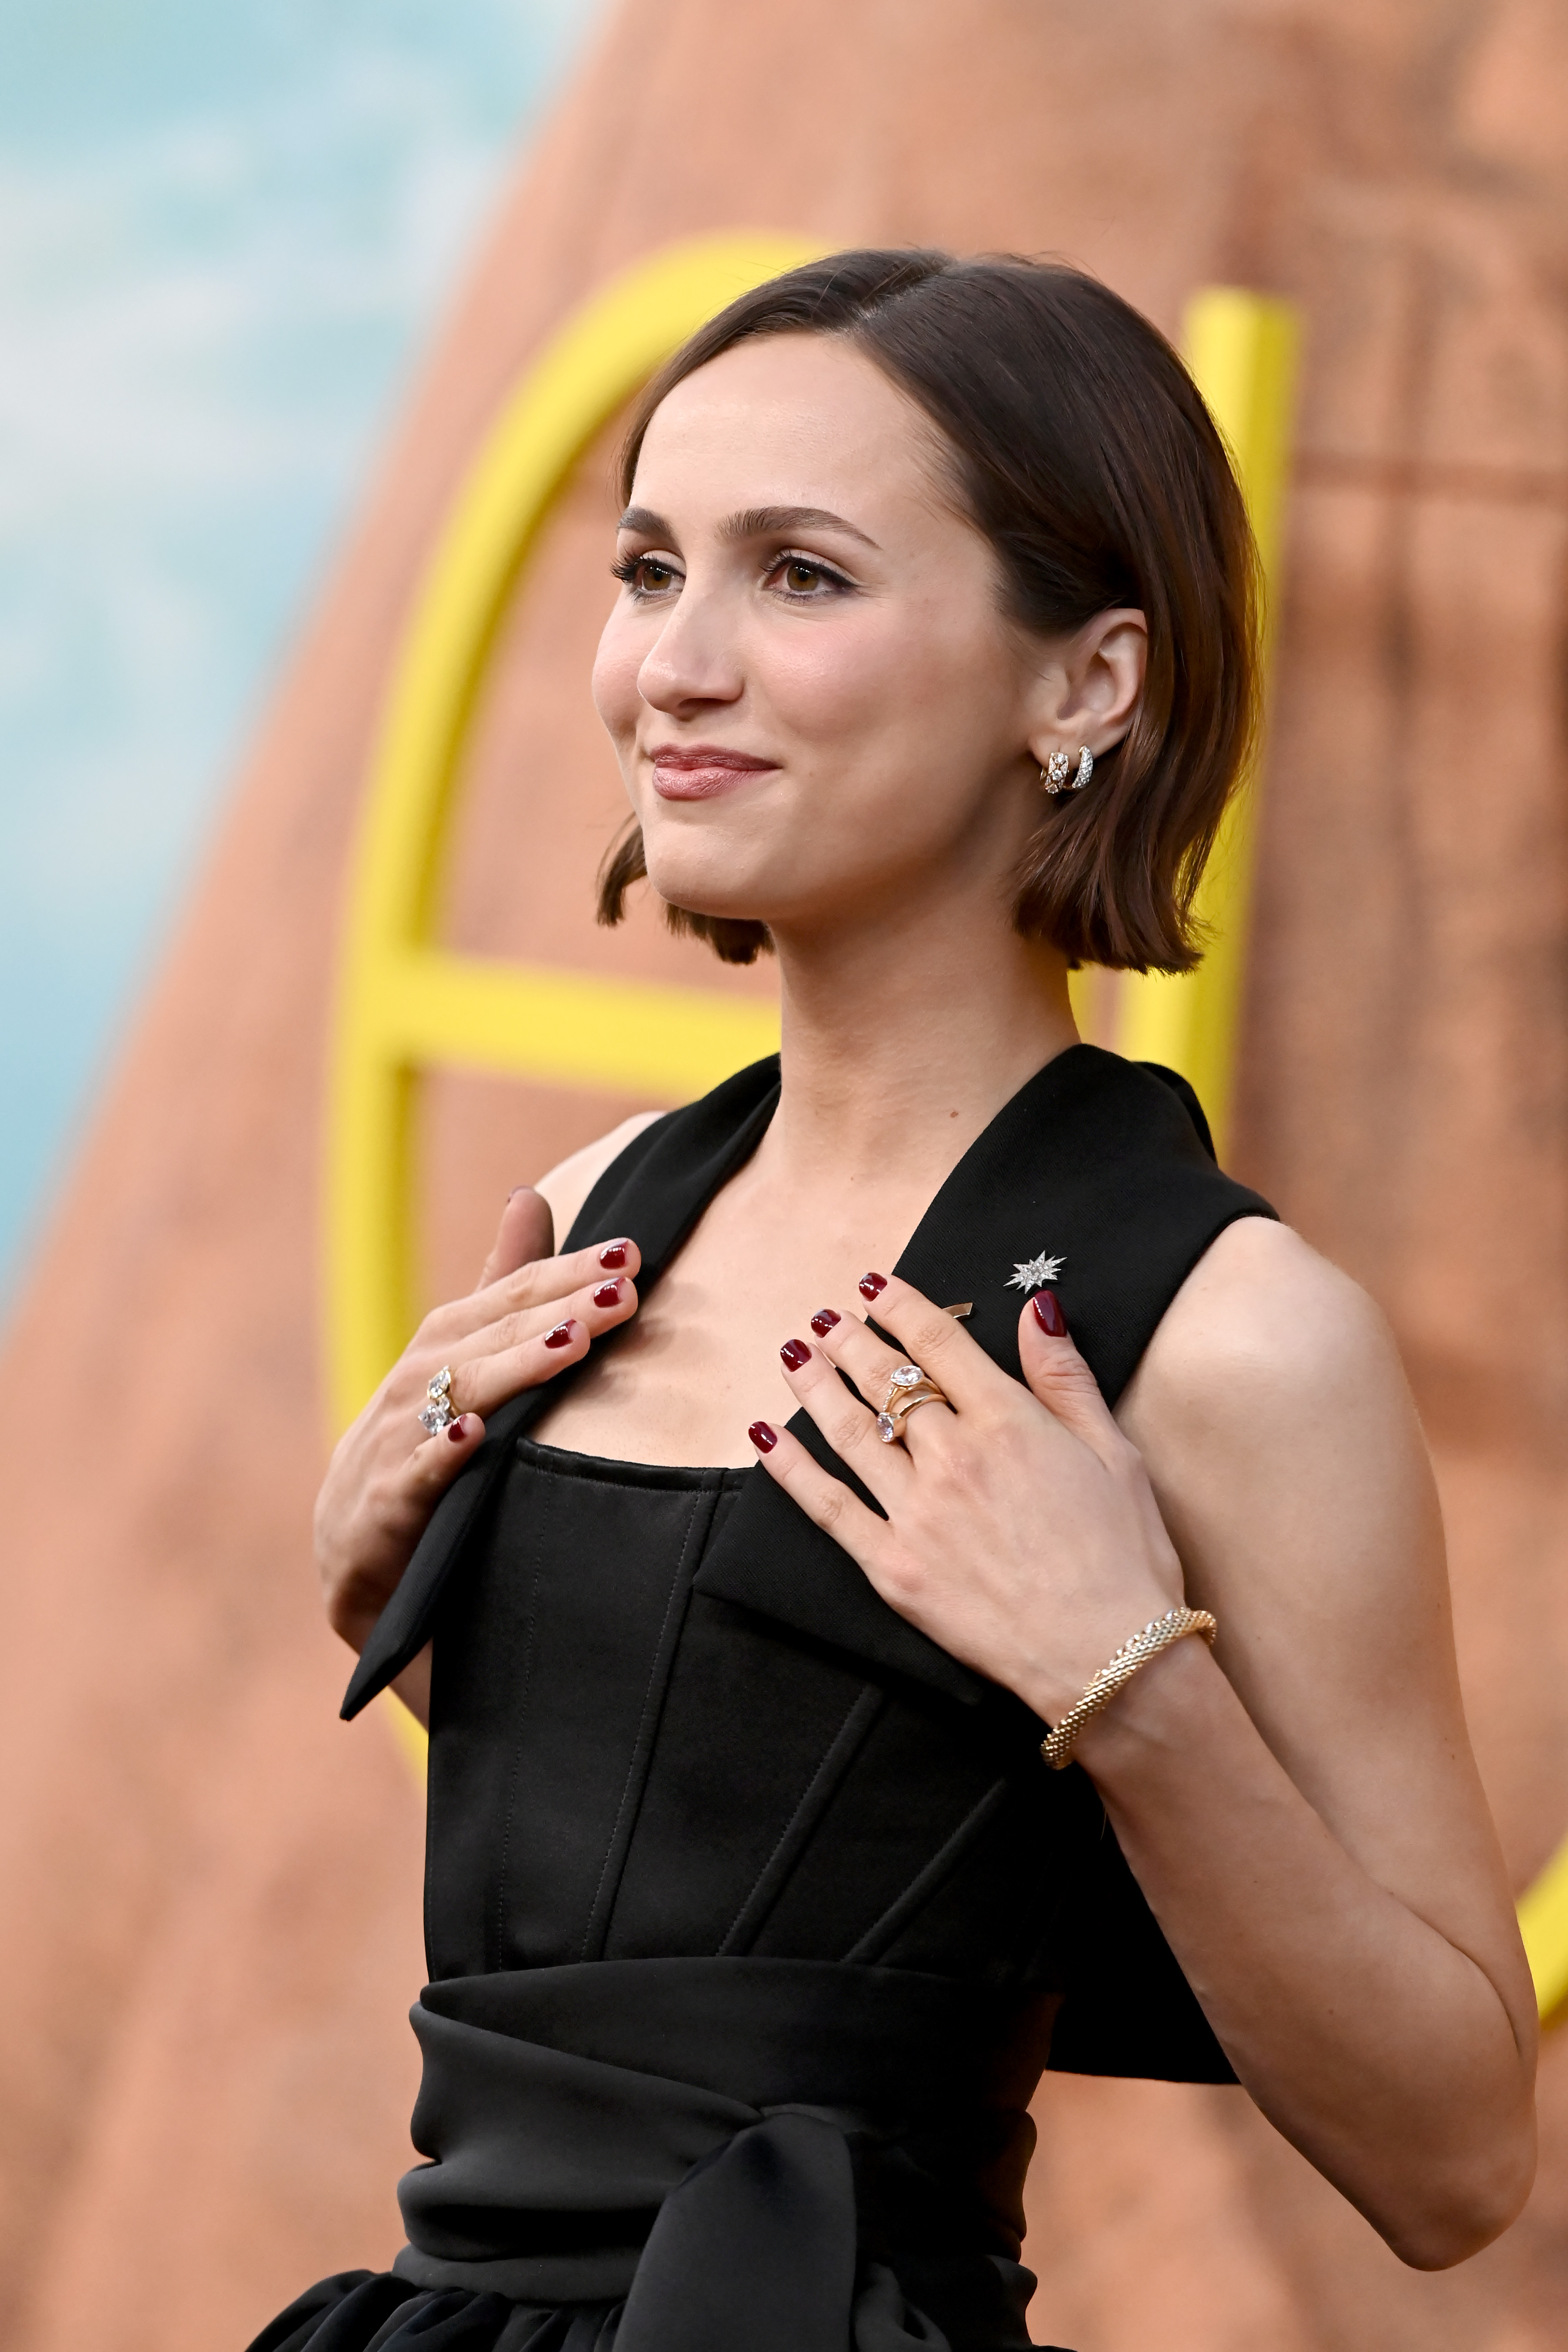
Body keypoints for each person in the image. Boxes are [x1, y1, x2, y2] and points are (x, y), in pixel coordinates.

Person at [251, 251, 1536, 2352]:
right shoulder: (590, 1217)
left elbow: (1462, 2162)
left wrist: (1132, 1686)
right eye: (651, 566)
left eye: (803, 577)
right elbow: (739, 1851)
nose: (676, 663)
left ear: (1089, 682)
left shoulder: (1231, 1332)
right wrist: (378, 1591)